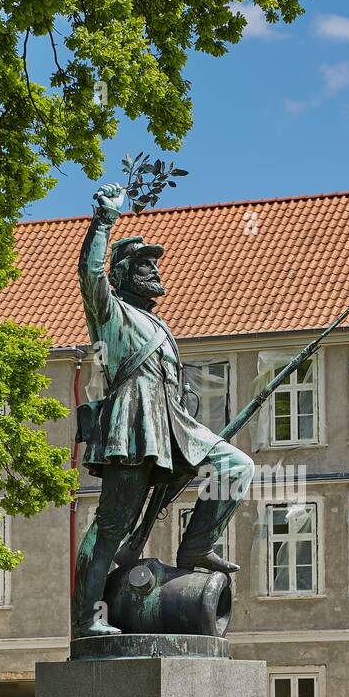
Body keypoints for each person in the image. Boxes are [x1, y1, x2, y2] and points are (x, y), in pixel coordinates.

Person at [72, 183, 254, 636]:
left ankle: (196, 547)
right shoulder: (111, 313)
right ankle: (88, 617)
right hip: (133, 429)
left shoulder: (158, 323)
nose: (154, 270)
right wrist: (104, 222)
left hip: (171, 425)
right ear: (122, 274)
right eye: (144, 264)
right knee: (111, 529)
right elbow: (89, 274)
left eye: (154, 263)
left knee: (235, 465)